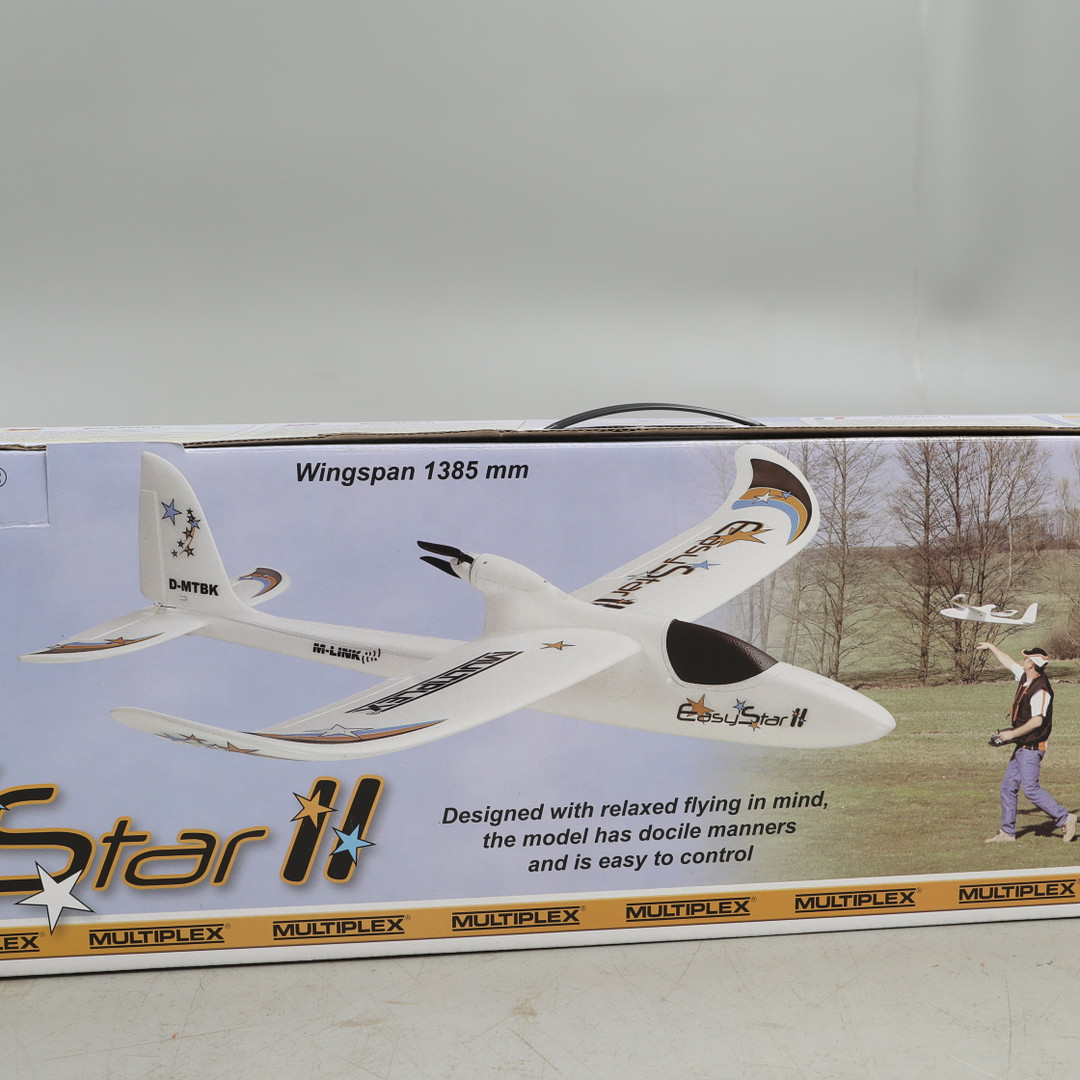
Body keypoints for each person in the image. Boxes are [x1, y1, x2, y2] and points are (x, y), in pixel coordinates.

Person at [976, 642, 1076, 844]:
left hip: (1032, 747)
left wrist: (1011, 735)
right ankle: (1007, 833)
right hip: (1023, 745)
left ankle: (1065, 818)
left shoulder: (1041, 690)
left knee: (1030, 789)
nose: (1023, 660)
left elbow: (1037, 721)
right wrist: (991, 647)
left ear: (1031, 664)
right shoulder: (1026, 677)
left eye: (1026, 658)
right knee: (1008, 788)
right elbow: (1008, 663)